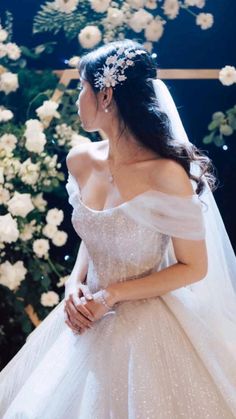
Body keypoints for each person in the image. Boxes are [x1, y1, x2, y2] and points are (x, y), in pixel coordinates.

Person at [0, 39, 236, 418]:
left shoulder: (165, 174)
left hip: (147, 326)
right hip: (82, 317)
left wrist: (110, 295)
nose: (77, 99)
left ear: (105, 94)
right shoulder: (80, 160)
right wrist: (73, 283)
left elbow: (194, 267)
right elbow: (95, 231)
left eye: (82, 87)